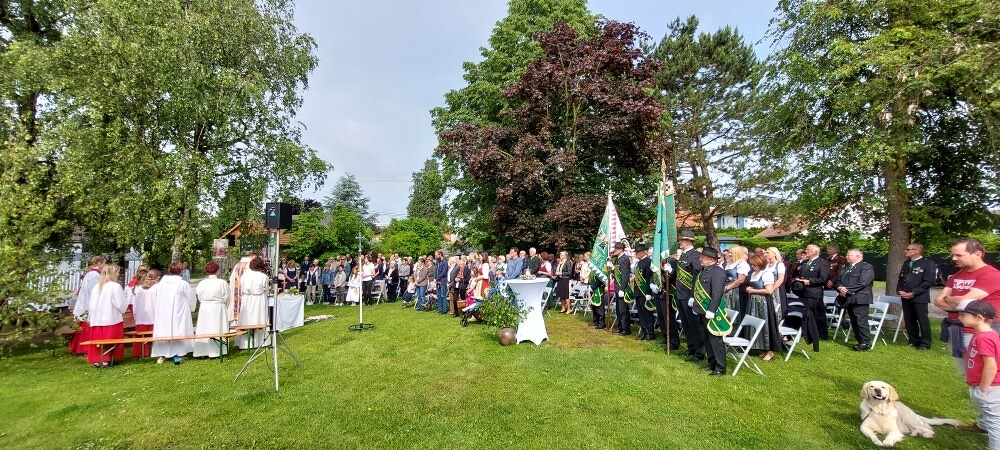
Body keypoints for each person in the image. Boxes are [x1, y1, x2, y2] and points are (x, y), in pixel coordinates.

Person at [934, 238, 1000, 374]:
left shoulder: (992, 275)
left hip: (981, 332)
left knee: (985, 373)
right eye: (953, 255)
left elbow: (964, 301)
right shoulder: (958, 274)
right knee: (966, 374)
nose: (954, 258)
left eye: (959, 255)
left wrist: (953, 300)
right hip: (956, 329)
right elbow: (938, 301)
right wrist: (961, 305)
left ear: (977, 254)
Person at [957, 300, 1000, 445]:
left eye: (963, 315)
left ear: (979, 317)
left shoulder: (984, 338)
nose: (959, 318)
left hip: (991, 387)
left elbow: (991, 366)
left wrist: (983, 389)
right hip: (986, 385)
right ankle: (982, 426)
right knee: (990, 417)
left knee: (995, 423)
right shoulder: (983, 334)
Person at [152, 262, 197, 364]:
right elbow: (191, 298)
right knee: (179, 328)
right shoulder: (182, 284)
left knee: (165, 329)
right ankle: (179, 352)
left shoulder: (160, 285)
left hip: (164, 312)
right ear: (181, 272)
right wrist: (191, 308)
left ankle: (163, 352)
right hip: (179, 311)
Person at [691, 247, 727, 376]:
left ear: (711, 260)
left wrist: (712, 309)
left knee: (715, 340)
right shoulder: (704, 270)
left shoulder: (717, 272)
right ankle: (711, 363)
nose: (700, 259)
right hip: (702, 310)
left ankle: (720, 367)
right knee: (706, 338)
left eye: (703, 257)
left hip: (712, 311)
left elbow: (717, 293)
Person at [86, 263, 129, 367]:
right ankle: (106, 359)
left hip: (97, 319)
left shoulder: (97, 286)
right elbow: (120, 303)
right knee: (109, 340)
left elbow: (91, 304)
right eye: (117, 272)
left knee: (99, 341)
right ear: (113, 273)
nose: (118, 274)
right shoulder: (115, 286)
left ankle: (98, 360)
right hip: (110, 319)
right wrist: (124, 307)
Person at [897, 243, 937, 350]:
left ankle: (925, 343)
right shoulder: (907, 263)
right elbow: (901, 278)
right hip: (905, 296)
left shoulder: (927, 263)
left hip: (919, 297)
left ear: (917, 251)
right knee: (909, 320)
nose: (905, 251)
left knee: (922, 320)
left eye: (908, 249)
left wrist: (914, 292)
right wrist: (900, 290)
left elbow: (929, 281)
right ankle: (913, 340)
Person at [672, 230, 703, 362]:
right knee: (686, 324)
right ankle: (691, 348)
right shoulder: (684, 255)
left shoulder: (695, 256)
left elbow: (697, 277)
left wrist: (693, 296)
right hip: (680, 294)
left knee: (693, 325)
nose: (680, 242)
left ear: (689, 241)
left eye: (682, 240)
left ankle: (699, 352)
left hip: (688, 295)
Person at [835, 249, 875, 352]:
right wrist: (840, 288)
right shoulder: (847, 268)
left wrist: (847, 290)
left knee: (861, 321)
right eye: (847, 255)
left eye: (849, 255)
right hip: (849, 298)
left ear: (858, 256)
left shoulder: (866, 267)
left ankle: (865, 343)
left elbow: (863, 282)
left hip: (860, 298)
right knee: (854, 321)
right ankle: (860, 341)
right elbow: (838, 280)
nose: (847, 257)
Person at [744, 254, 782, 361]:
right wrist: (749, 289)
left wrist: (753, 291)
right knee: (757, 324)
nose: (753, 266)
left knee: (766, 325)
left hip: (763, 303)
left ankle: (770, 351)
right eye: (752, 264)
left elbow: (769, 291)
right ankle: (762, 348)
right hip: (754, 302)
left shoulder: (767, 274)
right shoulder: (753, 274)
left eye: (755, 264)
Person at [193, 262, 231, 358]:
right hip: (218, 307)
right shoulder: (222, 283)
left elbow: (199, 296)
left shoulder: (202, 283)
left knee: (205, 327)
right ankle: (216, 350)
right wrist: (224, 306)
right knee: (217, 327)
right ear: (217, 271)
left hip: (205, 308)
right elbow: (227, 297)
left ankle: (203, 350)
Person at [69, 255, 105, 355]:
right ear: (99, 263)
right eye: (104, 263)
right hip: (89, 304)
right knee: (87, 329)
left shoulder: (91, 274)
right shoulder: (94, 275)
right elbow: (95, 291)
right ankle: (84, 349)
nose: (104, 266)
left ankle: (80, 348)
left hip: (86, 304)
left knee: (84, 328)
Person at [794, 244, 830, 341]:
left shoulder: (822, 263)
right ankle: (806, 331)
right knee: (805, 312)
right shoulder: (805, 262)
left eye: (808, 249)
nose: (806, 251)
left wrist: (809, 281)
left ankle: (821, 333)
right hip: (803, 291)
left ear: (815, 251)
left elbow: (823, 279)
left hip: (814, 292)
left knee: (817, 314)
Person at [236, 258, 270, 350]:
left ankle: (245, 342)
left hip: (247, 299)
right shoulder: (263, 277)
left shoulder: (244, 276)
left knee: (247, 319)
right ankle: (261, 341)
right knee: (259, 318)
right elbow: (266, 290)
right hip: (259, 299)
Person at [131, 269, 159, 358]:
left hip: (141, 316)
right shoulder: (157, 288)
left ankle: (140, 353)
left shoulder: (138, 289)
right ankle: (155, 352)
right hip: (153, 316)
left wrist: (135, 314)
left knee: (141, 337)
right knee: (154, 336)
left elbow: (134, 303)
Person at [632, 244, 656, 340]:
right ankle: (643, 331)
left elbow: (649, 278)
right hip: (638, 292)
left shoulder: (648, 262)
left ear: (643, 252)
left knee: (647, 314)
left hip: (644, 292)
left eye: (638, 252)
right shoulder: (639, 262)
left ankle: (650, 333)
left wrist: (648, 293)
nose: (636, 254)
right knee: (641, 314)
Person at [609, 242, 633, 336]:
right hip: (617, 287)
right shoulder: (618, 259)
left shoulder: (624, 259)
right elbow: (617, 272)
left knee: (623, 310)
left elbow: (625, 276)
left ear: (620, 249)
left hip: (621, 288)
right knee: (619, 309)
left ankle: (626, 329)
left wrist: (622, 289)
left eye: (616, 249)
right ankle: (620, 327)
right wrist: (611, 269)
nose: (615, 250)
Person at [723, 246, 750, 319]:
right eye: (729, 252)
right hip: (727, 288)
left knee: (736, 309)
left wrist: (727, 287)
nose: (729, 254)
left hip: (737, 291)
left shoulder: (742, 264)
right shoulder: (729, 263)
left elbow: (740, 280)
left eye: (731, 253)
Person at [228, 251, 253, 322]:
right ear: (250, 256)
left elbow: (231, 278)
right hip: (245, 289)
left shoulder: (237, 265)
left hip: (236, 289)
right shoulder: (250, 265)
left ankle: (236, 319)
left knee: (237, 304)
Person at [764, 247, 788, 319]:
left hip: (777, 289)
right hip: (767, 289)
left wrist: (772, 289)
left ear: (774, 254)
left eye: (768, 253)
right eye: (765, 252)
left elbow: (780, 279)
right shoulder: (766, 265)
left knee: (777, 309)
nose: (766, 254)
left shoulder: (779, 264)